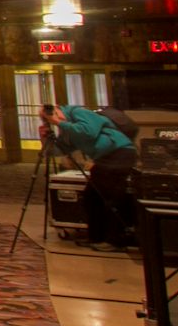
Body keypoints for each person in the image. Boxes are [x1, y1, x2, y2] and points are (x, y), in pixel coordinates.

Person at [40, 104, 140, 248]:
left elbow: (88, 132)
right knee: (91, 197)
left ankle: (114, 240)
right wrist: (45, 139)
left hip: (119, 153)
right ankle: (96, 237)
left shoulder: (79, 112)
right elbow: (58, 150)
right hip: (103, 158)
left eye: (52, 112)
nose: (51, 117)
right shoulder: (66, 129)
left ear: (58, 108)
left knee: (112, 197)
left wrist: (58, 122)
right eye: (45, 117)